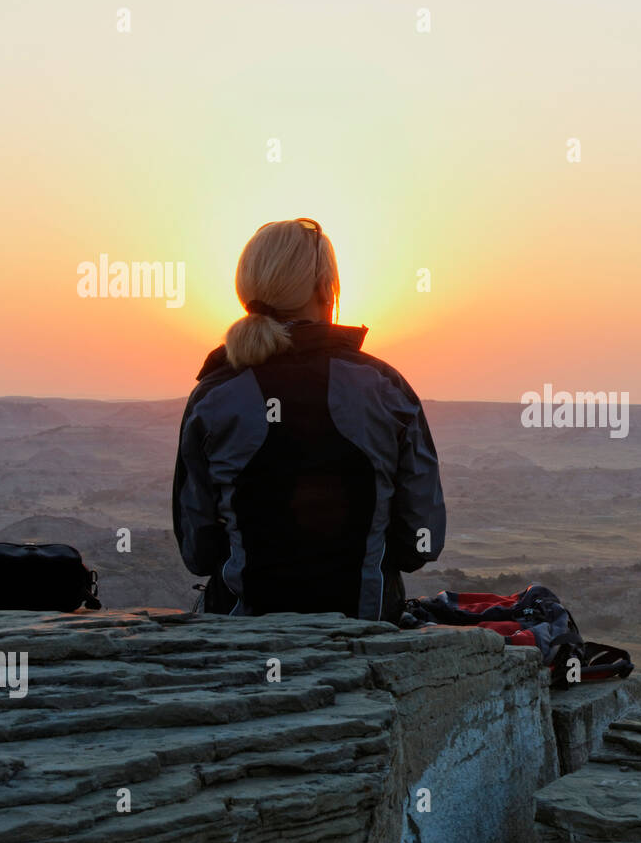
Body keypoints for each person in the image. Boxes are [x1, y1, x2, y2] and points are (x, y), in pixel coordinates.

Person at [172, 218, 445, 621]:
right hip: (367, 628)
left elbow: (197, 551)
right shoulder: (385, 388)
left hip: (241, 634)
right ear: (324, 287)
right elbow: (421, 543)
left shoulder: (213, 395)